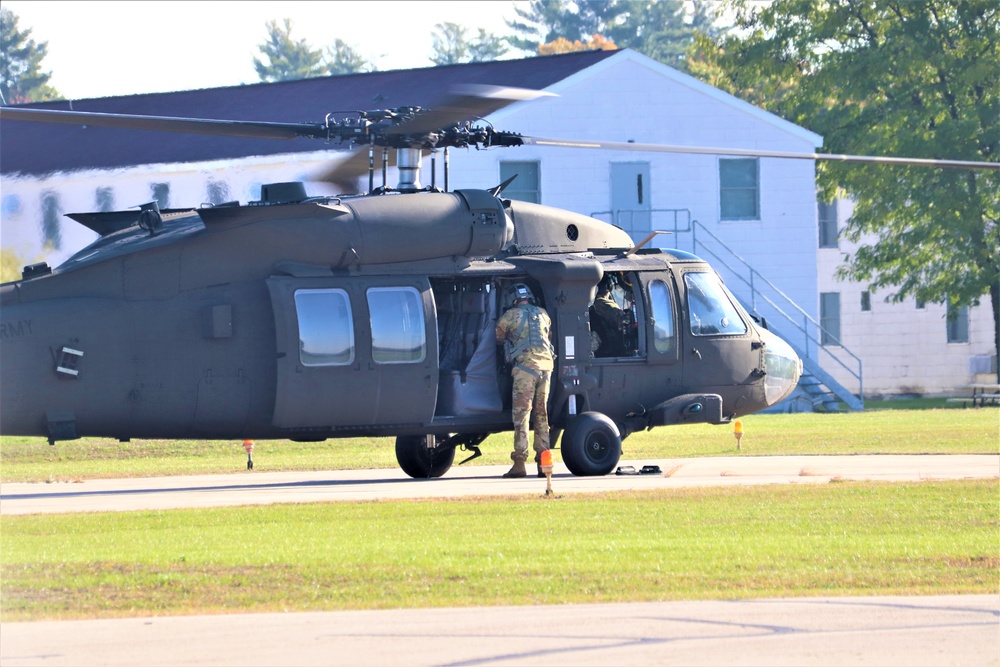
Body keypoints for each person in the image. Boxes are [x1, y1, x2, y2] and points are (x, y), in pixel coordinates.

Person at [495, 283, 555, 478]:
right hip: (546, 368)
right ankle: (543, 463)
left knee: (522, 416)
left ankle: (520, 463)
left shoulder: (510, 315)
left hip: (525, 369)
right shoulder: (543, 314)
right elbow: (549, 336)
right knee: (542, 415)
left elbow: (498, 337)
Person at [591, 275, 629, 357]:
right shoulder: (604, 304)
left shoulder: (596, 304)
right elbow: (624, 320)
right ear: (609, 287)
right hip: (611, 349)